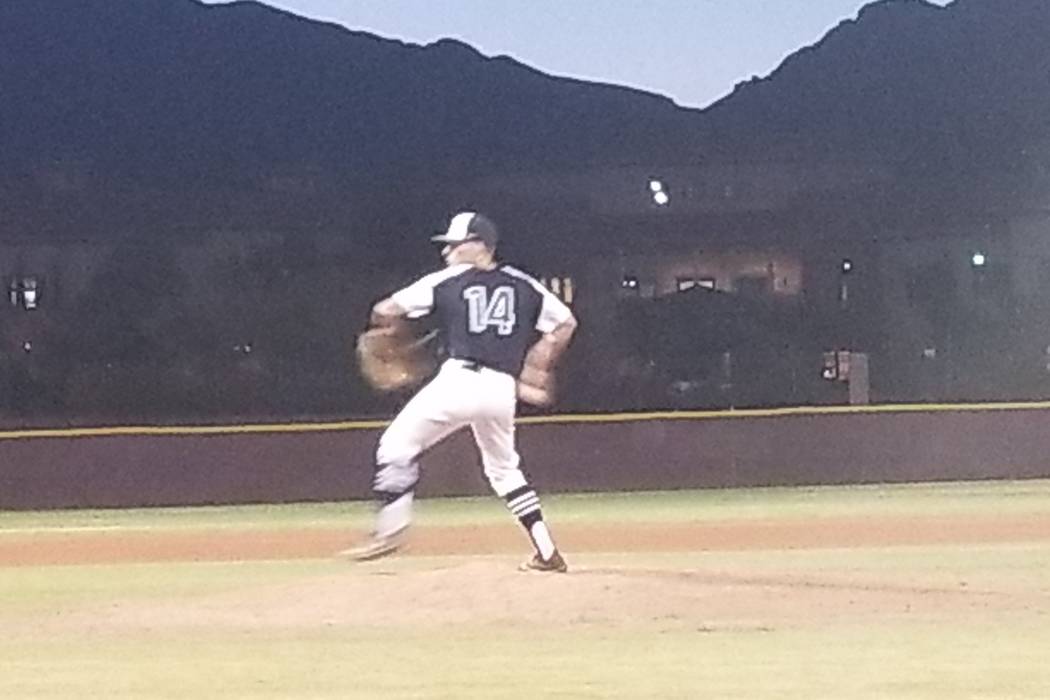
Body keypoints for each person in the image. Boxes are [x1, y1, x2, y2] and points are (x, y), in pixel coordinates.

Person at [344, 211, 578, 572]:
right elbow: (565, 323)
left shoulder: (449, 279)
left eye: (456, 245)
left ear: (480, 245)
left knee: (395, 446)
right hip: (501, 390)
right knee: (504, 471)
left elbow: (384, 309)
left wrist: (394, 333)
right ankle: (546, 551)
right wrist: (540, 361)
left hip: (459, 381)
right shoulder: (525, 284)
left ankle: (389, 530)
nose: (448, 252)